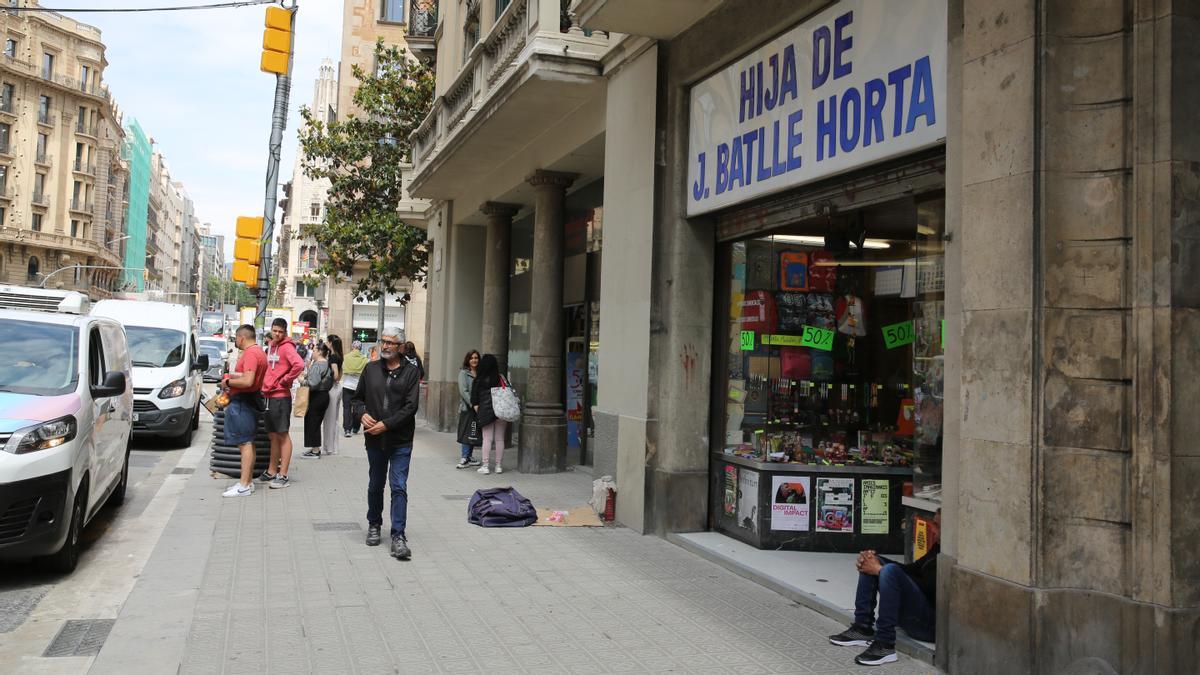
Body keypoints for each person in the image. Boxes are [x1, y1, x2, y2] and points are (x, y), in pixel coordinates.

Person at [829, 510, 940, 666]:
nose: (932, 528)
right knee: (876, 561)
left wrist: (881, 570)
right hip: (915, 616)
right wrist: (875, 562)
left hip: (928, 627)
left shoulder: (951, 554)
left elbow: (929, 588)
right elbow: (912, 570)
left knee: (888, 570)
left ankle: (885, 644)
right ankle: (863, 627)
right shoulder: (938, 547)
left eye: (937, 525)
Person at [354, 326, 421, 560]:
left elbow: (411, 407)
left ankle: (398, 536)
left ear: (401, 346)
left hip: (400, 439)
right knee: (375, 484)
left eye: (390, 343)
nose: (385, 346)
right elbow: (356, 399)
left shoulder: (411, 372)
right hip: (374, 438)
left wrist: (387, 424)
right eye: (383, 341)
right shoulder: (371, 369)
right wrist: (361, 413)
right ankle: (374, 524)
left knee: (399, 486)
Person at [220, 324, 267, 497]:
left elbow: (248, 381)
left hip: (243, 401)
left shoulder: (251, 354)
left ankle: (243, 485)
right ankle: (247, 482)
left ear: (242, 338)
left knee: (245, 444)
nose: (236, 342)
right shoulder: (259, 352)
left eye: (236, 339)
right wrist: (233, 377)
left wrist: (228, 383)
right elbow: (249, 378)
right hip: (250, 400)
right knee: (249, 442)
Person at [259, 318, 304, 488]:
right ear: (271, 329)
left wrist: (285, 380)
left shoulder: (287, 347)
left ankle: (283, 475)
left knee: (282, 434)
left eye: (280, 331)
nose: (277, 334)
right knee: (272, 435)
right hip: (268, 396)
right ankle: (272, 471)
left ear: (285, 332)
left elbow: (299, 365)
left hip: (280, 397)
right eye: (275, 330)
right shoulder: (270, 345)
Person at [470, 353, 506, 475]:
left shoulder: (478, 380)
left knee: (487, 439)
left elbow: (474, 399)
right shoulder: (500, 378)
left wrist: (478, 410)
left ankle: (485, 466)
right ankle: (498, 466)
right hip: (501, 411)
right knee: (500, 439)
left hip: (486, 412)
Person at [301, 343, 334, 458]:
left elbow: (313, 383)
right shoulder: (327, 363)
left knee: (312, 422)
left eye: (314, 351)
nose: (312, 353)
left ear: (320, 352)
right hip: (324, 396)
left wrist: (302, 380)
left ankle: (315, 450)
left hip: (317, 396)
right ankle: (315, 448)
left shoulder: (318, 365)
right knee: (315, 422)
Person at [455, 350, 482, 469]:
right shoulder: (464, 373)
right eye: (471, 358)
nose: (474, 360)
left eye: (476, 358)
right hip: (468, 407)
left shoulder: (481, 373)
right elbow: (463, 391)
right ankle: (464, 457)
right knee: (467, 431)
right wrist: (473, 404)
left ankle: (469, 456)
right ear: (468, 360)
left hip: (478, 407)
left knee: (473, 431)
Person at [322, 335, 344, 455]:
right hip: (338, 388)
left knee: (329, 419)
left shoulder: (333, 357)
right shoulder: (339, 356)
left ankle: (329, 447)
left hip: (332, 389)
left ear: (330, 343)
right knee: (334, 419)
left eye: (327, 341)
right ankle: (333, 447)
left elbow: (335, 375)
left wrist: (329, 376)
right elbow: (340, 375)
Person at [341, 340, 368, 437]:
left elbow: (343, 369)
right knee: (357, 408)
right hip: (359, 387)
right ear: (360, 348)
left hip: (347, 386)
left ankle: (347, 429)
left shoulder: (346, 357)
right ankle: (356, 427)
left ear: (352, 347)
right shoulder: (365, 359)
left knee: (347, 408)